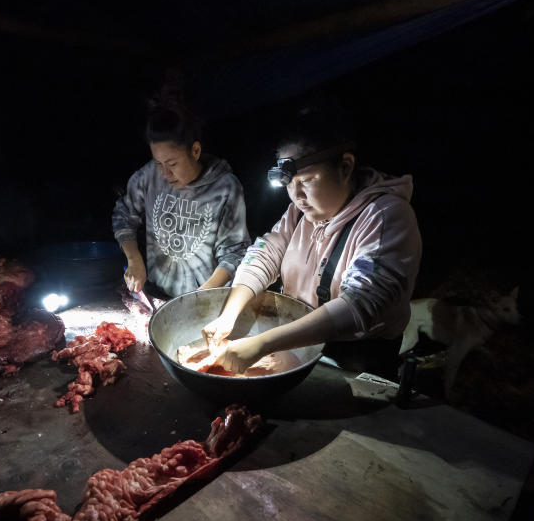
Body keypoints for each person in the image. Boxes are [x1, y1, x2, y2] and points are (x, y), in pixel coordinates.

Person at [202, 102, 422, 376]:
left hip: (354, 361)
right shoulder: (299, 213)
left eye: (306, 181)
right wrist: (228, 315)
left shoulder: (387, 217)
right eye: (289, 185)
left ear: (345, 166)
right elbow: (265, 252)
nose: (297, 196)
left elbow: (360, 304)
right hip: (296, 343)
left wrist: (261, 343)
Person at [112, 90, 250, 298]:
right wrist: (134, 260)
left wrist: (201, 295)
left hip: (204, 299)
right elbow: (124, 214)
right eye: (159, 163)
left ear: (195, 151)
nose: (165, 173)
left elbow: (234, 251)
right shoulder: (149, 175)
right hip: (157, 294)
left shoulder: (225, 188)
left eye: (172, 164)